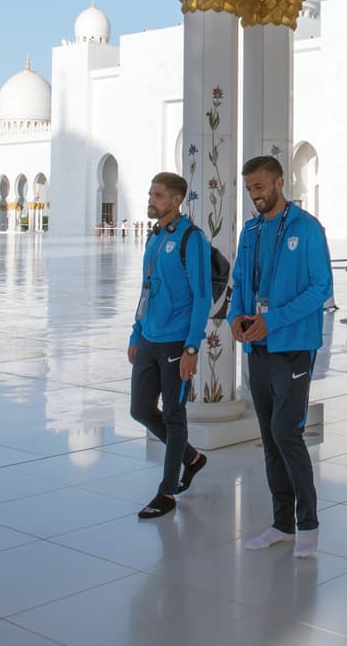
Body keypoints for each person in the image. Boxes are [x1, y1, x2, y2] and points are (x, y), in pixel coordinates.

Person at [228, 155, 332, 558]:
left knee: (288, 433)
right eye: (250, 187)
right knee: (270, 436)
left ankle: (308, 525)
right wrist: (238, 317)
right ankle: (281, 523)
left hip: (293, 348)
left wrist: (274, 320)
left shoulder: (306, 228)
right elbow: (240, 281)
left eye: (260, 186)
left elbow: (321, 286)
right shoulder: (251, 231)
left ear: (279, 183)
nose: (255, 194)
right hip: (258, 346)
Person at [127, 172, 210, 519]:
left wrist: (192, 348)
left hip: (177, 342)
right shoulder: (155, 238)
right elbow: (146, 289)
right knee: (140, 410)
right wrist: (136, 333)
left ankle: (166, 492)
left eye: (158, 195)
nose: (152, 200)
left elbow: (202, 296)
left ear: (176, 200)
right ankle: (191, 457)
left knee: (174, 415)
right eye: (151, 194)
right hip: (149, 338)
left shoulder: (193, 239)